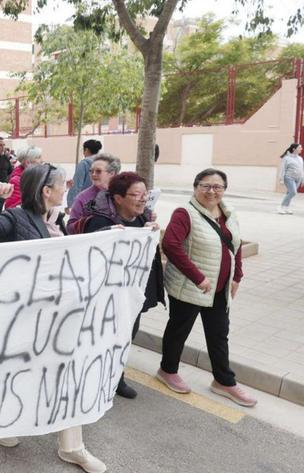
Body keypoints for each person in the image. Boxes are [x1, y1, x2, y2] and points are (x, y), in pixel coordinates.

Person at [0, 164, 106, 473]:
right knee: (15, 372)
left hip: (58, 315)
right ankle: (2, 421)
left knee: (66, 373)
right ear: (47, 191)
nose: (66, 187)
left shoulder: (58, 219)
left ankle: (72, 446)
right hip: (22, 316)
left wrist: (111, 237)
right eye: (62, 184)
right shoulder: (15, 217)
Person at [158, 168, 257, 407]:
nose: (212, 191)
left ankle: (223, 381)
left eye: (218, 187)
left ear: (224, 189)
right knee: (179, 330)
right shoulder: (185, 213)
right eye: (205, 186)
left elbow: (236, 245)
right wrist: (198, 277)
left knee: (219, 335)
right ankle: (167, 370)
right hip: (190, 287)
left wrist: (237, 277)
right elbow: (170, 245)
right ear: (195, 187)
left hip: (220, 289)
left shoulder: (228, 212)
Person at [78, 172, 164, 399]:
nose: (143, 199)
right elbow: (87, 255)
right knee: (101, 339)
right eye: (136, 194)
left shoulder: (143, 219)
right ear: (118, 198)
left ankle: (117, 377)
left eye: (145, 194)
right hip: (104, 297)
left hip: (131, 294)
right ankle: (92, 378)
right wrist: (105, 235)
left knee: (127, 335)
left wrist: (151, 233)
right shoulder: (100, 221)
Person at [66, 152, 121, 233]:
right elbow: (70, 227)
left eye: (98, 171)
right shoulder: (82, 197)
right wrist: (89, 223)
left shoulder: (123, 194)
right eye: (91, 171)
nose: (93, 174)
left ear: (112, 173)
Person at [67, 139, 103, 205]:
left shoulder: (84, 164)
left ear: (86, 150)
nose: (83, 153)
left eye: (83, 150)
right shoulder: (104, 163)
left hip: (86, 203)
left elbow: (77, 185)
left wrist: (70, 203)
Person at [278, 143, 303, 214]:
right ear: (294, 149)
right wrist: (281, 179)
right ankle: (281, 207)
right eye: (300, 148)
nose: (301, 149)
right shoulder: (286, 158)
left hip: (298, 179)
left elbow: (302, 169)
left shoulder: (300, 158)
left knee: (289, 193)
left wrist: (302, 179)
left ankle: (286, 207)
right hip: (289, 177)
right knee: (293, 192)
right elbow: (282, 169)